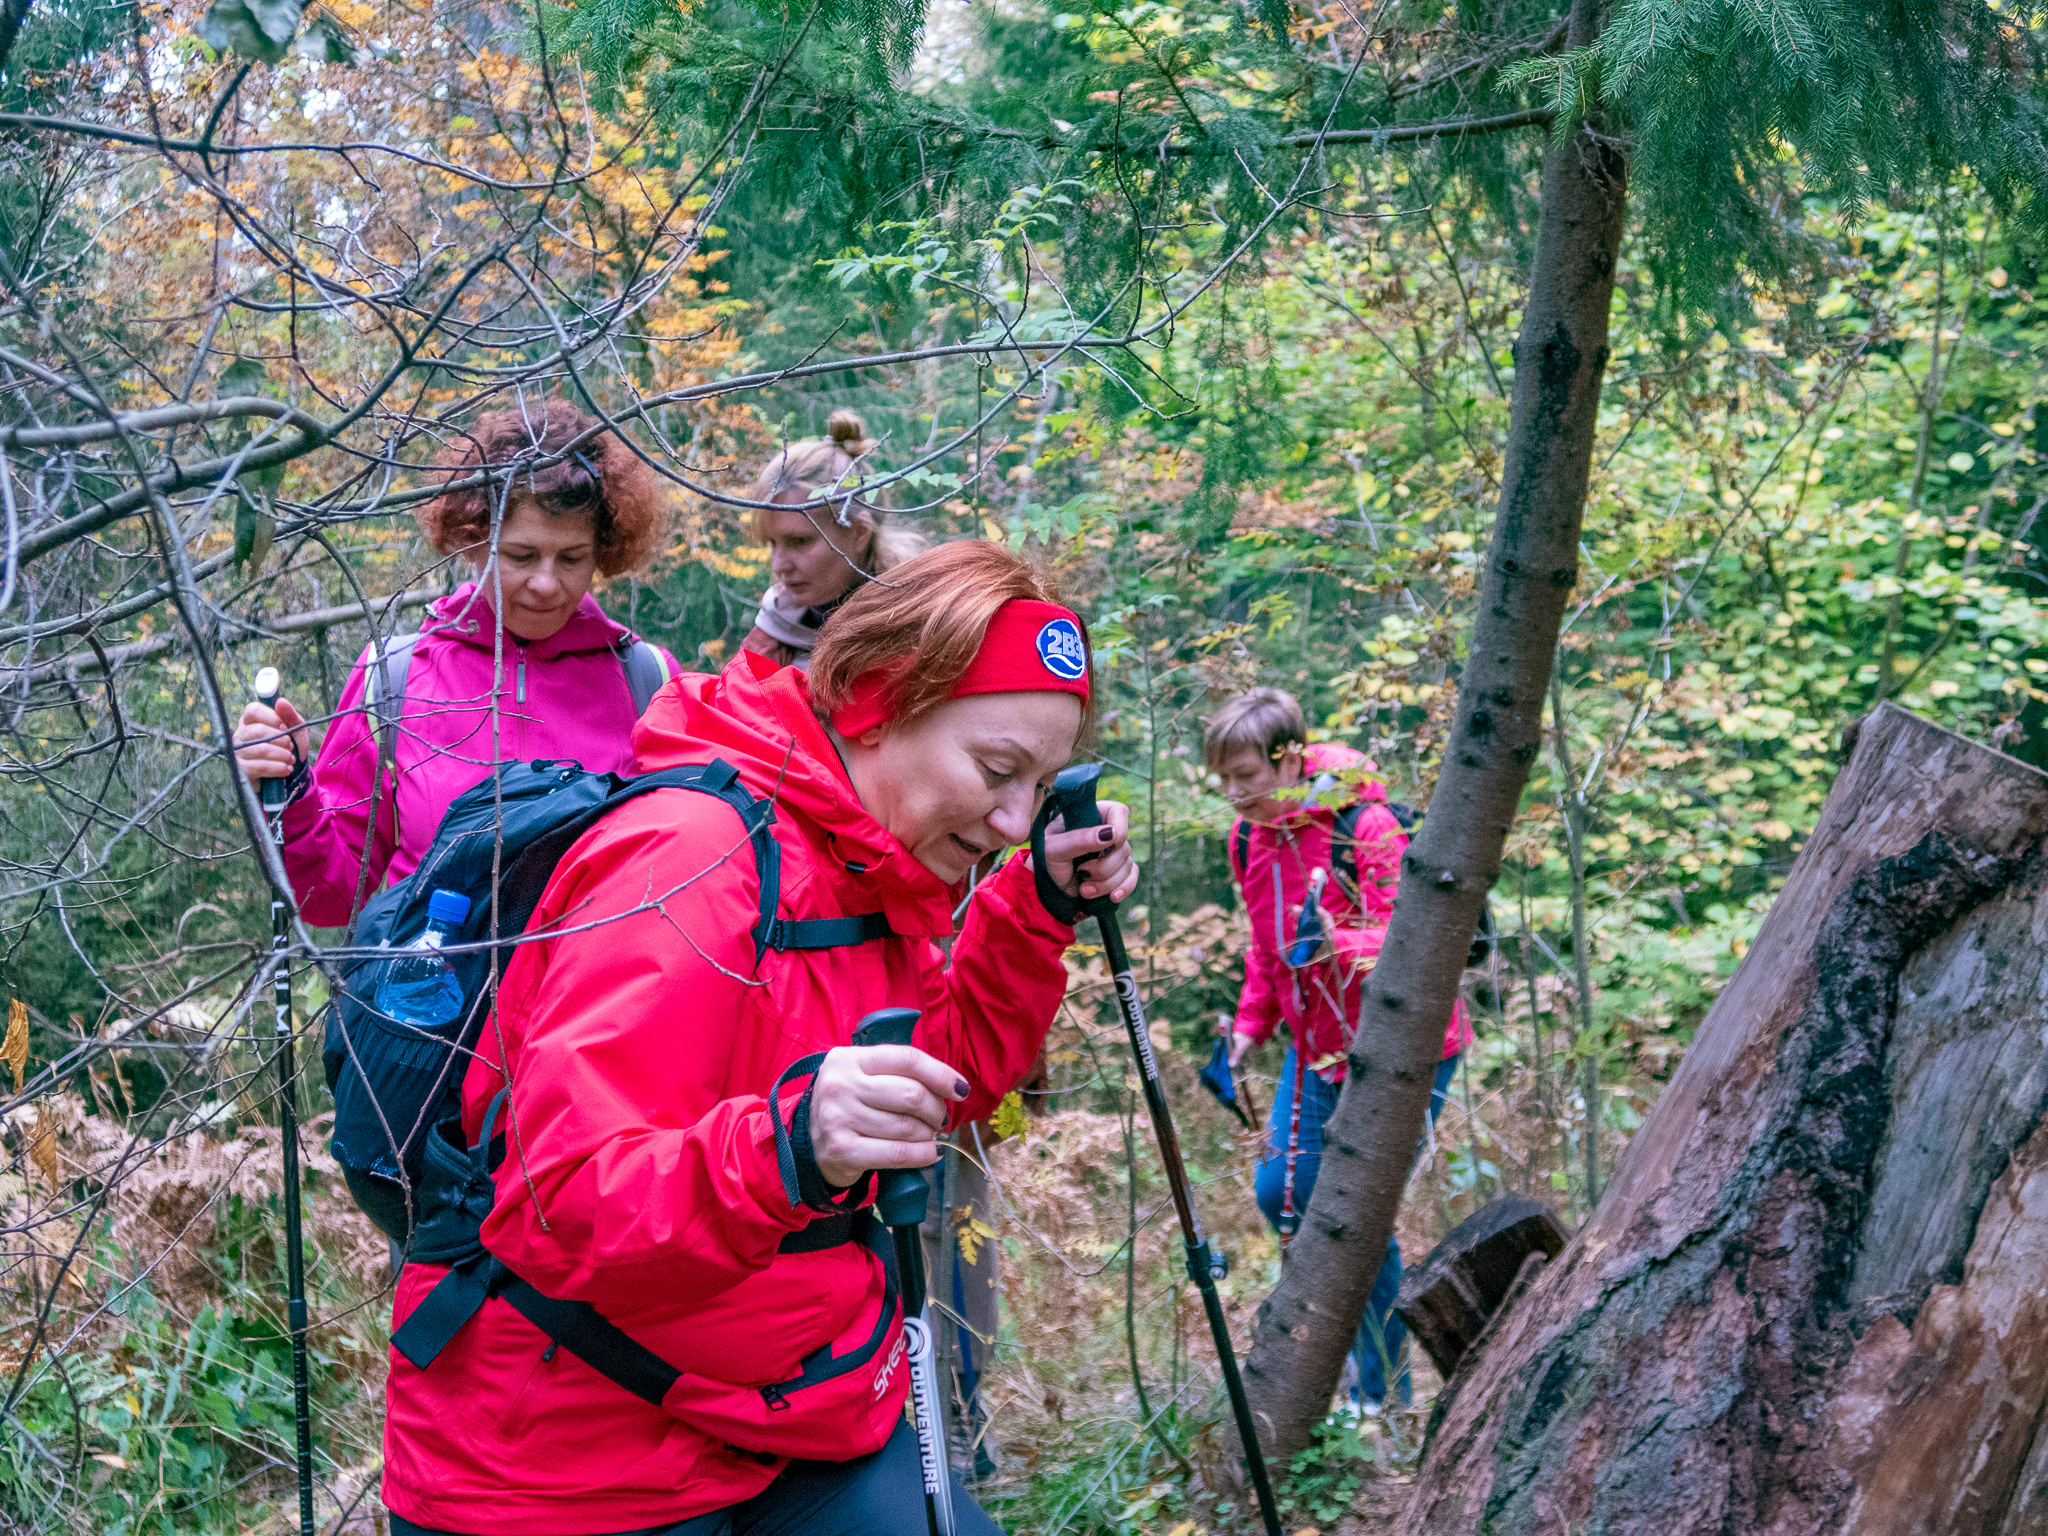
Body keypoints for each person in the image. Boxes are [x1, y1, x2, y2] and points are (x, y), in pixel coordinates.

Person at [378, 539, 1137, 1535]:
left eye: (1037, 788)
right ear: (876, 697)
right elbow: (565, 1207)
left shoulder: (870, 865)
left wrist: (1030, 909)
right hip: (568, 1454)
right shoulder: (690, 859)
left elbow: (934, 1086)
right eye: (996, 770)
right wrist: (789, 1147)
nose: (1010, 818)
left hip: (791, 1407)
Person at [231, 403, 678, 926]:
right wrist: (291, 787)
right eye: (520, 555)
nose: (546, 583)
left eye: (572, 558)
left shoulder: (648, 682)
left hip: (593, 1001)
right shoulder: (393, 678)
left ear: (603, 549)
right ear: (472, 539)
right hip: (429, 1000)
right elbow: (330, 898)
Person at [1210, 686, 1470, 1412]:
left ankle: (1380, 1393)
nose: (1233, 795)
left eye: (1246, 778)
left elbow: (1423, 938)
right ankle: (1362, 1376)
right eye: (1223, 781)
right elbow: (1268, 953)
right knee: (1281, 1193)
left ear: (1289, 759)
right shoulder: (1249, 840)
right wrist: (1245, 1031)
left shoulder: (1367, 823)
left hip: (1406, 1044)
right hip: (1314, 1044)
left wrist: (1338, 942)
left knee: (1357, 1210)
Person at [739, 409, 926, 668]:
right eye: (772, 543)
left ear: (859, 534)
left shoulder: (923, 626)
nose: (779, 566)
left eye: (799, 542)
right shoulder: (768, 643)